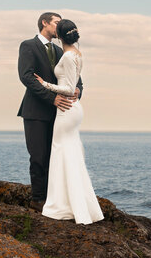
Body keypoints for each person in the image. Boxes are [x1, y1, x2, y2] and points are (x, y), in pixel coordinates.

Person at [34, 19, 104, 224]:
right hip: (73, 109)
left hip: (66, 109)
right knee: (69, 151)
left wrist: (44, 83)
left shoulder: (67, 56)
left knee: (61, 150)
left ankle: (62, 205)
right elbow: (74, 86)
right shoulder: (76, 54)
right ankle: (75, 203)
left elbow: (68, 88)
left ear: (61, 36)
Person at [17, 12, 83, 211]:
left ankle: (55, 199)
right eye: (56, 22)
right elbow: (27, 77)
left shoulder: (61, 49)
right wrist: (51, 98)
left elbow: (75, 76)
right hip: (36, 111)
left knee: (56, 157)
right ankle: (38, 200)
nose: (59, 26)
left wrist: (79, 90)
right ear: (44, 23)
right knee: (38, 157)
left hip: (61, 112)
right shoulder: (28, 45)